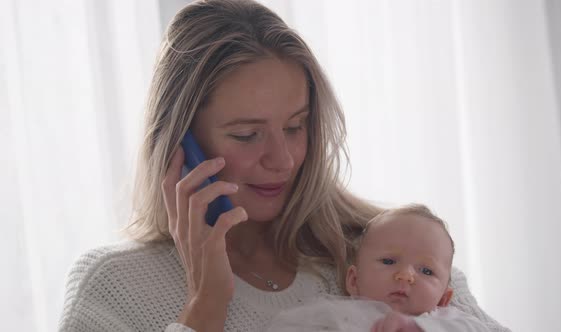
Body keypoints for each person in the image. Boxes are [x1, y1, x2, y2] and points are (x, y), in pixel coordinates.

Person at [58, 1, 510, 331]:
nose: (284, 159)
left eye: (296, 126)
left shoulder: (394, 253)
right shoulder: (114, 288)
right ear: (181, 144)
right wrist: (205, 305)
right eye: (246, 134)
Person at [267, 204, 490, 332]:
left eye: (427, 271)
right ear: (354, 281)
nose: (405, 275)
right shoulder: (334, 315)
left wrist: (417, 327)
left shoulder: (448, 320)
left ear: (443, 299)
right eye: (388, 261)